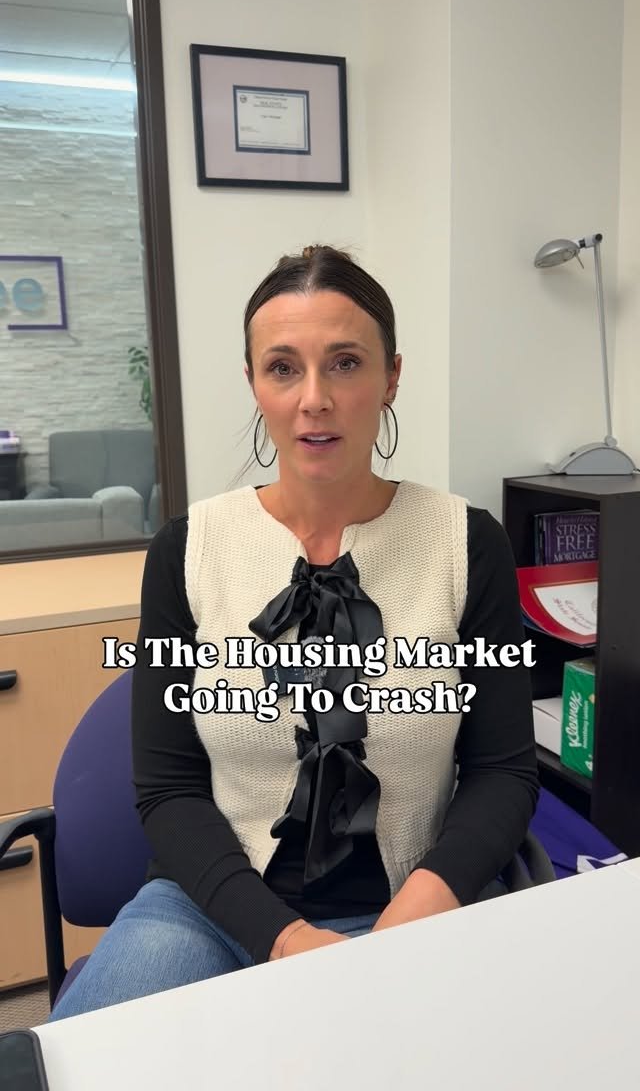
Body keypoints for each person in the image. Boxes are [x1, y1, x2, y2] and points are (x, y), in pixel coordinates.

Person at [48, 244, 538, 1021]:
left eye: (345, 363)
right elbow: (168, 790)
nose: (315, 399)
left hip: (415, 908)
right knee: (96, 1056)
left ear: (391, 377)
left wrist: (406, 925)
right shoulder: (188, 549)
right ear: (254, 383)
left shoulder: (466, 543)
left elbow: (503, 772)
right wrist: (284, 941)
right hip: (211, 907)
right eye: (283, 368)